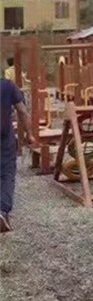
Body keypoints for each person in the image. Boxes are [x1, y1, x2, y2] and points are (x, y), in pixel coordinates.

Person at [0, 77, 35, 232]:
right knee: (7, 174)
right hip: (4, 138)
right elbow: (22, 111)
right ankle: (2, 210)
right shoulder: (7, 85)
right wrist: (29, 134)